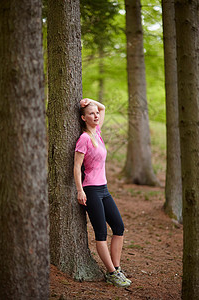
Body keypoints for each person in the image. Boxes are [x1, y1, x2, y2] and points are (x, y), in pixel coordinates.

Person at [74, 98, 131, 288]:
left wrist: (90, 101)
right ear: (83, 118)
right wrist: (80, 190)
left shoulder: (97, 132)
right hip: (91, 190)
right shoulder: (84, 139)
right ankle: (112, 273)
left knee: (119, 227)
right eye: (91, 113)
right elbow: (76, 167)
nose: (96, 115)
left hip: (104, 189)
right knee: (101, 233)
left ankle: (117, 267)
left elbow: (103, 107)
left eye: (96, 113)